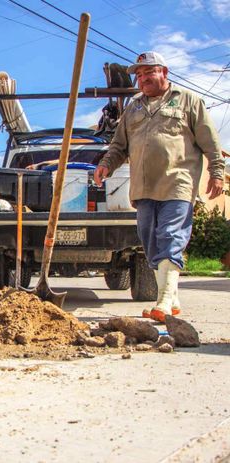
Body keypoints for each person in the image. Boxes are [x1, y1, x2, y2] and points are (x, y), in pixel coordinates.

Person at [94, 51, 225, 322]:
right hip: (143, 187)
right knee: (149, 240)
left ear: (164, 72)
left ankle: (163, 301)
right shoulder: (133, 108)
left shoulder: (188, 101)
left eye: (148, 72)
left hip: (178, 182)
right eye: (139, 75)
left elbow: (210, 142)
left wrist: (217, 172)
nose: (142, 79)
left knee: (169, 234)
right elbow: (119, 146)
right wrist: (106, 164)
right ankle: (172, 296)